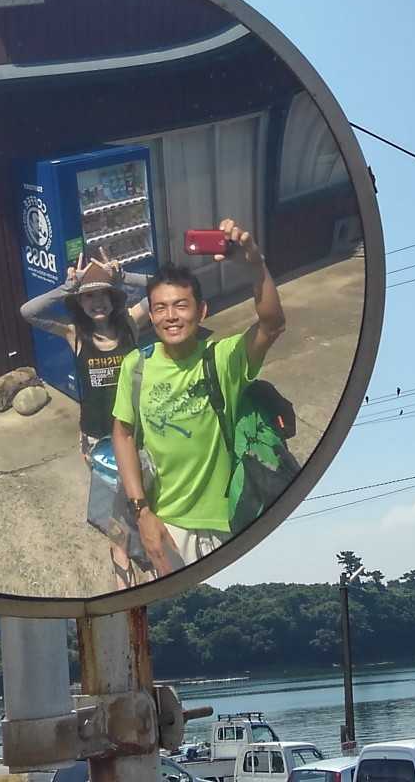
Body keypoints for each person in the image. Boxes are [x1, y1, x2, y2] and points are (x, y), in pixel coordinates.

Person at [112, 219, 286, 575]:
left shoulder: (222, 359)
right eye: (160, 308)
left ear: (202, 311)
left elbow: (272, 325)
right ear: (151, 315)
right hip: (168, 524)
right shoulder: (136, 365)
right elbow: (123, 433)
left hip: (228, 522)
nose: (170, 317)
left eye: (181, 305)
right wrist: (142, 513)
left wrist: (256, 265)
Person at [19, 247, 150, 587]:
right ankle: (121, 556)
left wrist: (124, 277)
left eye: (103, 294)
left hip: (136, 431)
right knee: (112, 501)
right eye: (88, 296)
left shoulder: (130, 325)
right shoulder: (74, 333)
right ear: (79, 302)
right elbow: (28, 312)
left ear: (113, 297)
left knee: (140, 493)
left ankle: (144, 544)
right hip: (96, 436)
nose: (97, 302)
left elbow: (161, 288)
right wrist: (68, 287)